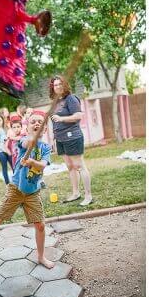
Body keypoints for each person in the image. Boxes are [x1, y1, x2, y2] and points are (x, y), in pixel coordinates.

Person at [0, 111, 55, 269]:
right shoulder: (23, 141)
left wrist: (30, 162)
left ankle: (41, 257)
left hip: (32, 193)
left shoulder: (46, 148)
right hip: (15, 190)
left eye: (40, 123)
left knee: (41, 225)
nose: (37, 124)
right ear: (27, 127)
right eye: (33, 122)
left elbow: (43, 165)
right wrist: (30, 143)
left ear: (45, 130)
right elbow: (27, 143)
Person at [49, 75, 92, 206]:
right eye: (55, 85)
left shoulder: (71, 99)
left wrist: (62, 119)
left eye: (60, 84)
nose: (57, 87)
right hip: (60, 138)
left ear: (65, 85)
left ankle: (88, 196)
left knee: (79, 166)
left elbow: (79, 116)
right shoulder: (56, 102)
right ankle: (75, 193)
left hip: (72, 136)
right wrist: (53, 138)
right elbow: (54, 121)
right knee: (70, 167)